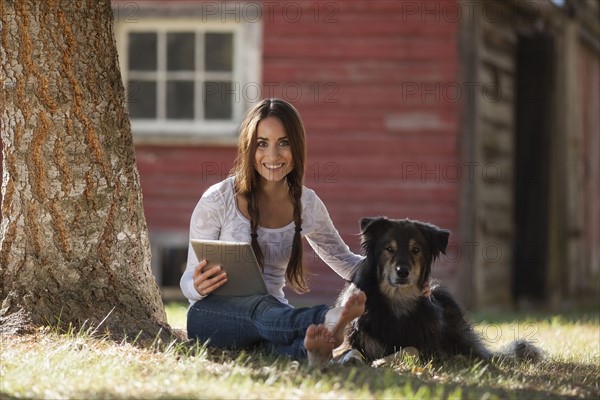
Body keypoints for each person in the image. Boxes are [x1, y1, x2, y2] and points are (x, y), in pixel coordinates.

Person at [180, 98, 364, 367]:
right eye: (262, 143)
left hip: (274, 317)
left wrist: (400, 275)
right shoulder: (218, 200)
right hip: (211, 314)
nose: (273, 156)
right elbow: (187, 280)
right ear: (248, 148)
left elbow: (345, 261)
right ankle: (326, 318)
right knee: (260, 310)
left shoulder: (307, 204)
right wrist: (196, 286)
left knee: (276, 339)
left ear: (297, 147)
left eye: (284, 143)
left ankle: (316, 354)